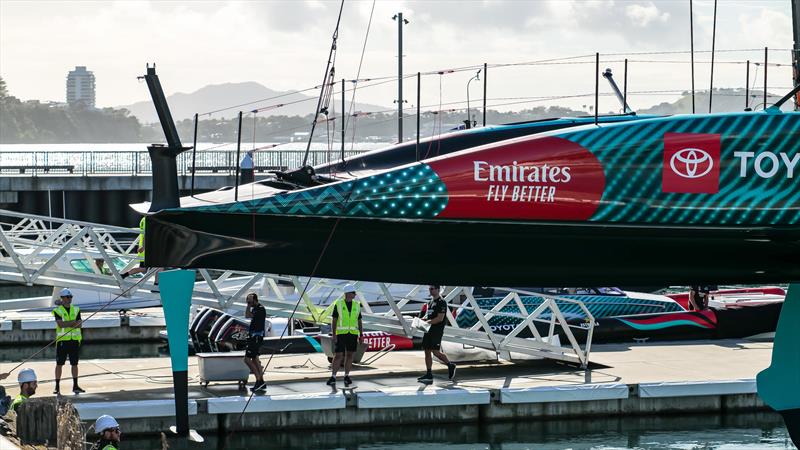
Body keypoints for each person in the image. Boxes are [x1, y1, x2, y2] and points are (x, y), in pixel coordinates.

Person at [418, 285, 456, 384]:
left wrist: (427, 322)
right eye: (429, 289)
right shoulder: (430, 302)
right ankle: (429, 373)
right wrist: (421, 320)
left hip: (436, 331)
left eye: (432, 289)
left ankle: (450, 365)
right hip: (428, 330)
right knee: (426, 351)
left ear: (438, 290)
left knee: (435, 352)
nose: (430, 290)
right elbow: (428, 315)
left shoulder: (441, 302)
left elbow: (440, 318)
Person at [326, 284, 363, 387]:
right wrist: (334, 334)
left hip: (353, 334)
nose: (355, 295)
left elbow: (359, 321)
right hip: (341, 334)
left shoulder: (356, 304)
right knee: (338, 355)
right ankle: (333, 376)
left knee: (350, 355)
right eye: (353, 293)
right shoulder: (338, 304)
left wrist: (361, 335)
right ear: (347, 293)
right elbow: (334, 320)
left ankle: (346, 376)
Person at [53, 288, 84, 394]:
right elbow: (60, 324)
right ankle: (57, 387)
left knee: (74, 364)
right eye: (67, 297)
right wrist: (73, 323)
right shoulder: (58, 310)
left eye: (70, 297)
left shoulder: (76, 309)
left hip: (74, 340)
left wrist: (69, 323)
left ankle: (75, 386)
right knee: (59, 364)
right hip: (62, 340)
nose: (69, 299)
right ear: (62, 298)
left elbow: (80, 324)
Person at [243, 293, 267, 392]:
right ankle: (261, 382)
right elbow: (247, 315)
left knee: (247, 359)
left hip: (256, 337)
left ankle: (258, 379)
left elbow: (249, 315)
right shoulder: (255, 308)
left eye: (250, 302)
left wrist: (249, 306)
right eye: (247, 302)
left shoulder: (260, 309)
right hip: (254, 337)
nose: (249, 304)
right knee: (255, 359)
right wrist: (248, 305)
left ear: (255, 300)